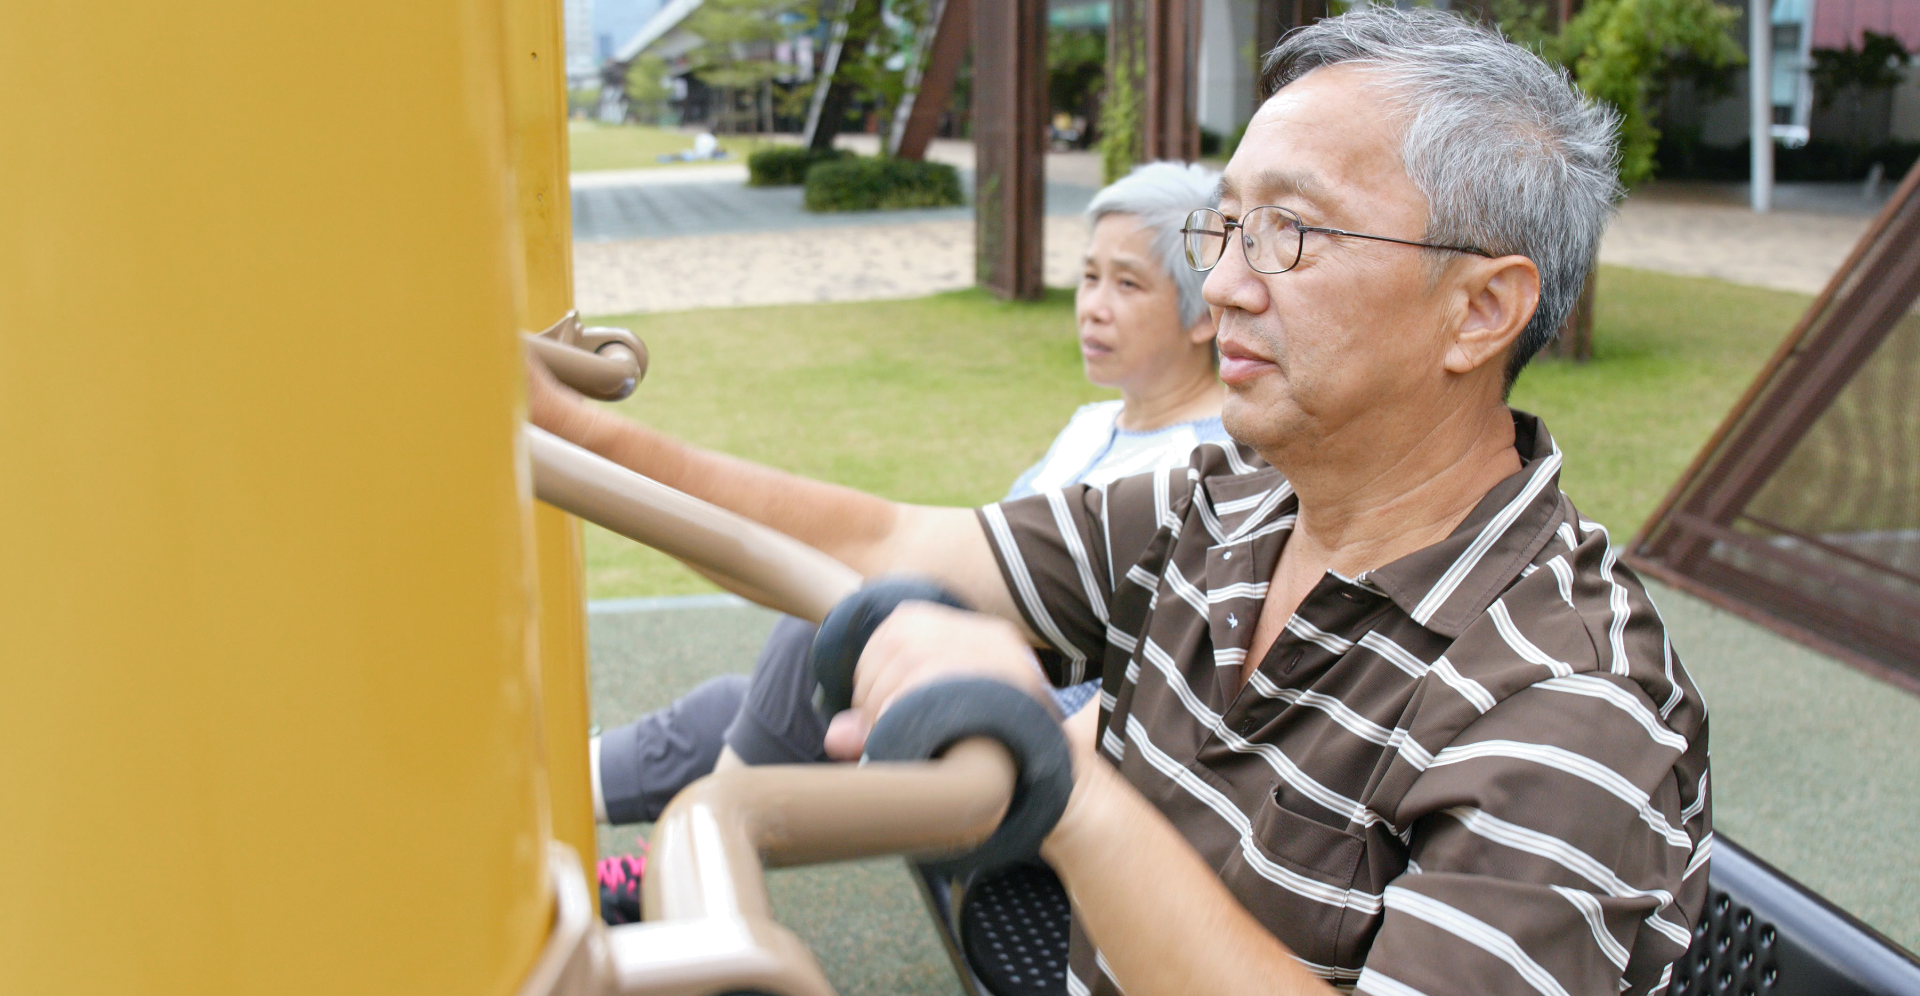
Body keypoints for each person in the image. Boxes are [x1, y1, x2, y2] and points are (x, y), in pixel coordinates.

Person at [534, 9, 1711, 995]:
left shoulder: (1570, 707)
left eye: (1289, 232)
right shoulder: (1229, 510)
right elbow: (882, 540)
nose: (1225, 285)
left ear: (1480, 311)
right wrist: (570, 430)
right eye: (1226, 226)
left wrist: (1067, 787)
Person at [590, 161, 1227, 839]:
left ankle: (697, 856)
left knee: (835, 622)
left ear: (1203, 316)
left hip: (1022, 742)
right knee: (747, 702)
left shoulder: (1204, 469)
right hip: (972, 679)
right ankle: (558, 804)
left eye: (1127, 284)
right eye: (1090, 275)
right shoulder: (1093, 424)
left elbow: (1137, 688)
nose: (1093, 305)